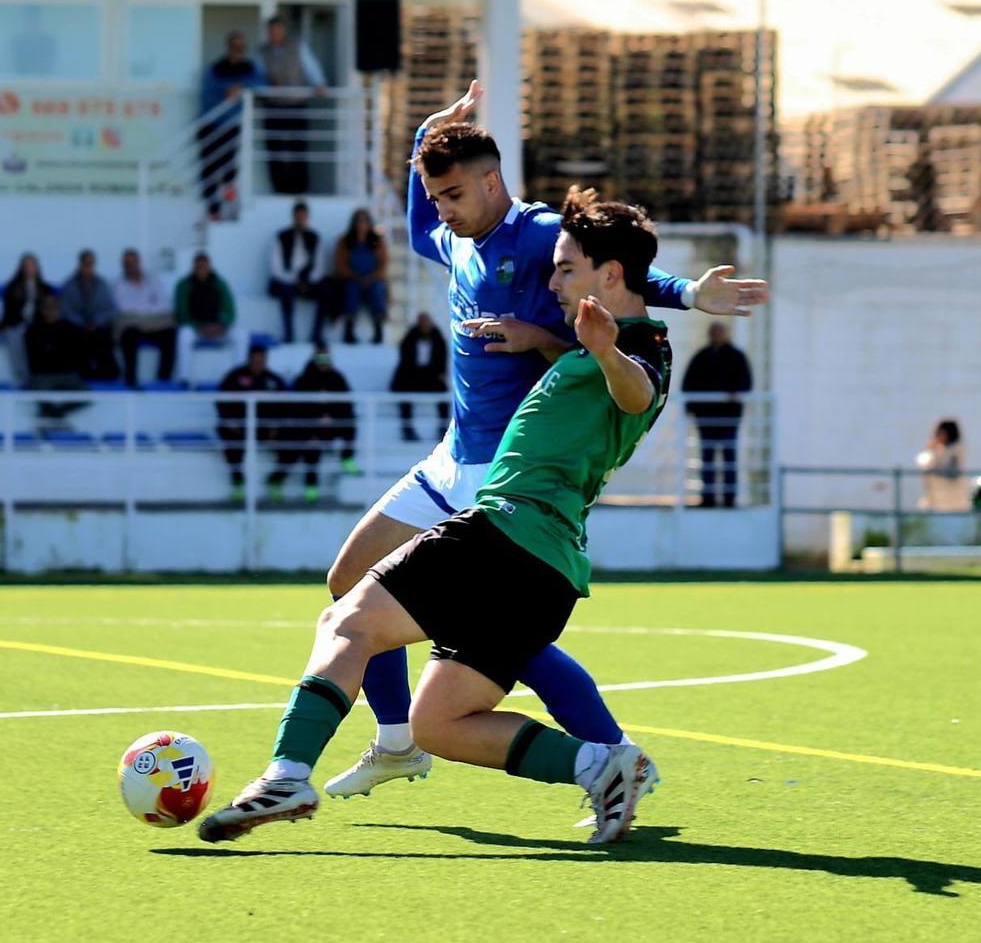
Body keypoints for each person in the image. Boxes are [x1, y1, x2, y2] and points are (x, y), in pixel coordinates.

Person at [316, 80, 767, 802]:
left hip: (504, 468)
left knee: (494, 639)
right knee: (349, 583)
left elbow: (615, 270)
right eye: (436, 196)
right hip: (450, 457)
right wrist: (426, 135)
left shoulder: (531, 234)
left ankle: (610, 755)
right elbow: (412, 226)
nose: (442, 210)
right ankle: (399, 743)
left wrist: (686, 295)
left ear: (492, 183)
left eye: (454, 194)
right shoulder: (452, 235)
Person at [199, 194, 694, 846]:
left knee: (349, 618)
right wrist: (566, 343)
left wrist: (604, 351)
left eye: (565, 269)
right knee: (439, 724)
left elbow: (638, 393)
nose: (552, 281)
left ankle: (288, 774)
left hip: (505, 535)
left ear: (610, 275)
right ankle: (603, 765)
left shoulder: (638, 348)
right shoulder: (589, 344)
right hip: (543, 567)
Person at [271, 345, 360, 502]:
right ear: (314, 359)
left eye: (327, 358)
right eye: (320, 359)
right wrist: (315, 421)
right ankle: (298, 485)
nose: (324, 362)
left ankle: (347, 458)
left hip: (329, 425)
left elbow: (346, 404)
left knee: (350, 422)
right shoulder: (303, 379)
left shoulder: (337, 378)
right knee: (309, 448)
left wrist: (330, 416)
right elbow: (297, 409)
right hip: (306, 427)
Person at [681, 320, 753, 507]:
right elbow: (688, 384)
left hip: (729, 418)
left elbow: (745, 383)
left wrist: (735, 394)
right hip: (706, 418)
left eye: (719, 332)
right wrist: (691, 409)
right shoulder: (702, 357)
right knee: (708, 459)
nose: (716, 335)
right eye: (714, 332)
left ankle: (729, 499)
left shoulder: (736, 357)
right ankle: (708, 498)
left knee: (729, 458)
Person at [199, 31, 266, 219]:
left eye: (241, 48)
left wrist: (243, 88)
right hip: (211, 126)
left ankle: (229, 206)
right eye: (234, 47)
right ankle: (213, 209)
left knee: (230, 172)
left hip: (231, 127)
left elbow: (263, 86)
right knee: (209, 170)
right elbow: (206, 98)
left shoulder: (250, 69)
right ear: (228, 47)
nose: (238, 51)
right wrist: (225, 92)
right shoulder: (215, 70)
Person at [257, 15, 327, 196]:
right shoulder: (262, 52)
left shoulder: (297, 47)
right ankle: (279, 188)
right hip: (273, 106)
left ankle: (300, 188)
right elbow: (258, 76)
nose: (275, 35)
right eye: (272, 32)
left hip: (296, 105)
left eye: (278, 31)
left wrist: (318, 83)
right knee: (275, 150)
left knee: (298, 147)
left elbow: (310, 67)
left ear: (283, 31)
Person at [215, 345, 288, 501]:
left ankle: (276, 480)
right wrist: (231, 422)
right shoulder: (234, 377)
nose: (258, 364)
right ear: (249, 360)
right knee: (226, 434)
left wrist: (277, 424)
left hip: (267, 429)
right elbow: (221, 401)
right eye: (255, 361)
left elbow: (286, 405)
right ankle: (238, 481)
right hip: (240, 428)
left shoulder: (274, 380)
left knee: (296, 438)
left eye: (261, 361)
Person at [175, 253, 245, 384]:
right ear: (193, 267)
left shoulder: (220, 284)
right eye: (198, 265)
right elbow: (182, 313)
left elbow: (230, 311)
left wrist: (222, 325)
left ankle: (238, 375)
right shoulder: (184, 285)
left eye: (204, 265)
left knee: (241, 335)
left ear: (209, 266)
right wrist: (199, 327)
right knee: (184, 334)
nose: (201, 268)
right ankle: (184, 377)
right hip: (197, 329)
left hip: (218, 329)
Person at [268, 201, 329, 343]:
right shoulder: (281, 236)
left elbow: (320, 267)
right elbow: (275, 267)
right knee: (286, 291)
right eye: (298, 216)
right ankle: (288, 334)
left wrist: (307, 281)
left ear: (307, 218)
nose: (300, 220)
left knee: (327, 292)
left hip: (308, 281)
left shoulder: (315, 237)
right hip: (286, 281)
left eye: (303, 216)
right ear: (293, 217)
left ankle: (317, 334)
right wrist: (293, 280)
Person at [114, 248, 175, 388]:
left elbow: (163, 305)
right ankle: (131, 380)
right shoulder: (119, 284)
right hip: (135, 325)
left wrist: (141, 309)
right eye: (126, 263)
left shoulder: (152, 280)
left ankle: (164, 379)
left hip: (153, 324)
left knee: (170, 333)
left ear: (138, 262)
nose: (129, 266)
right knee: (128, 335)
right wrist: (149, 305)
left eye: (132, 262)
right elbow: (123, 308)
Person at [24, 294, 88, 421]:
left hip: (66, 374)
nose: (50, 311)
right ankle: (55, 417)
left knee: (87, 396)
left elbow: (77, 352)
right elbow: (35, 357)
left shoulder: (70, 328)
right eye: (47, 308)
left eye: (54, 308)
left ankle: (55, 414)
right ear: (42, 310)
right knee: (38, 393)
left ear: (59, 309)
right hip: (43, 375)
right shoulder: (34, 330)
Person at [58, 250, 119, 381]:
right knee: (69, 332)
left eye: (91, 264)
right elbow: (66, 310)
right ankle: (80, 372)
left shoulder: (102, 284)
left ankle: (108, 372)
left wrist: (96, 322)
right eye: (86, 264)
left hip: (98, 327)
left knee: (105, 334)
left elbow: (111, 309)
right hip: (77, 327)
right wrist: (83, 324)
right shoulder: (69, 285)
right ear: (80, 264)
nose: (88, 267)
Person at [0, 253, 54, 385]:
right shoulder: (12, 288)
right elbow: (8, 313)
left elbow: (50, 310)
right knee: (15, 335)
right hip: (17, 323)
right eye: (27, 266)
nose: (30, 269)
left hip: (39, 325)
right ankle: (22, 378)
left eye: (32, 265)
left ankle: (43, 375)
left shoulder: (45, 288)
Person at [391, 312, 449, 442]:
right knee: (404, 393)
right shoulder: (410, 338)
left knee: (443, 391)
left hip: (431, 376)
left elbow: (441, 361)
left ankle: (443, 427)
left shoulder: (438, 339)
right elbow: (405, 360)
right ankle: (407, 429)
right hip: (412, 376)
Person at [334, 208, 389, 344]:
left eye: (364, 221)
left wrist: (371, 277)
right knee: (350, 290)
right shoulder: (345, 241)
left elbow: (383, 264)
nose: (361, 224)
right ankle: (349, 330)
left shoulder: (377, 241)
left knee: (377, 290)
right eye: (359, 221)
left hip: (372, 279)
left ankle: (378, 330)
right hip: (352, 279)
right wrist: (355, 277)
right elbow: (340, 264)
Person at [915, 419, 968, 511]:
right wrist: (930, 450)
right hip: (935, 497)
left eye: (941, 433)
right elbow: (924, 465)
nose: (938, 436)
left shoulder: (955, 450)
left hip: (952, 499)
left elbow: (949, 470)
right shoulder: (937, 450)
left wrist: (934, 453)